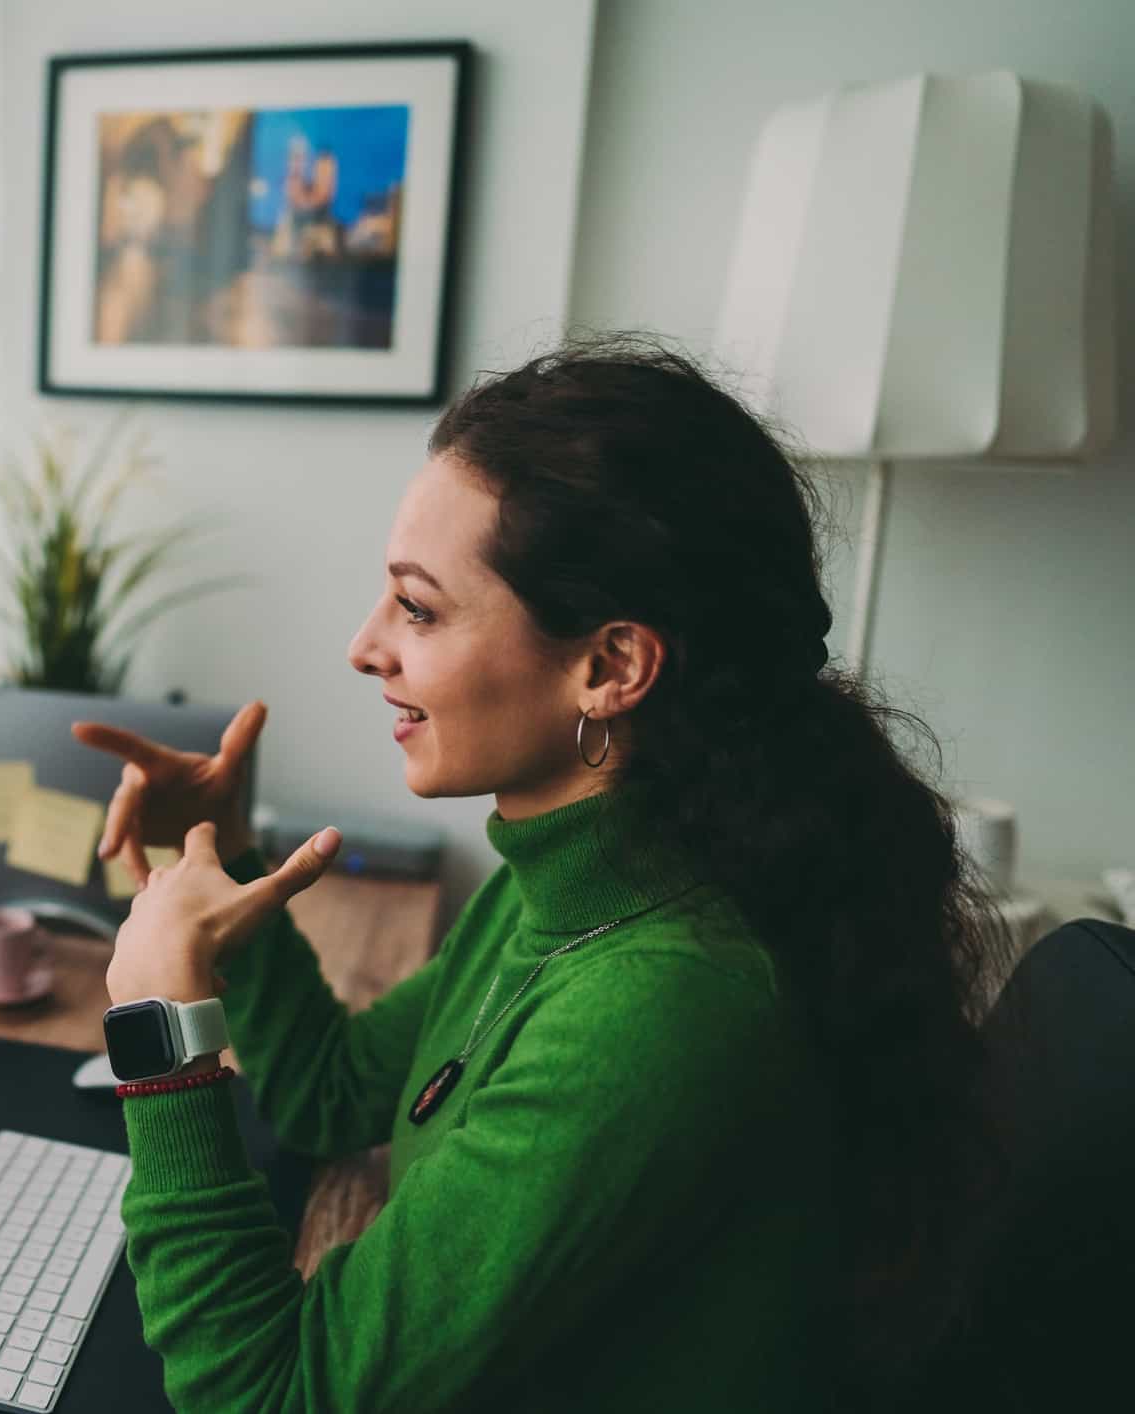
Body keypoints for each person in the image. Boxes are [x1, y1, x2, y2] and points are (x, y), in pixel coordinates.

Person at [73, 339, 1003, 1411]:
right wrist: (229, 850)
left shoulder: (658, 1006)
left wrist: (157, 1026)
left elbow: (269, 1397)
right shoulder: (573, 882)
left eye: (417, 609)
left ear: (608, 667)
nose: (363, 647)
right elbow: (329, 1098)